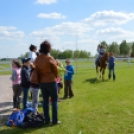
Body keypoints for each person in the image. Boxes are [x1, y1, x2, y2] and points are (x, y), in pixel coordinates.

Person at [32, 40, 61, 125]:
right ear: (48, 48)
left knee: (45, 101)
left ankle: (47, 120)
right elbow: (55, 70)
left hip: (42, 81)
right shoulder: (50, 58)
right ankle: (55, 121)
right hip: (51, 81)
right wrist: (55, 76)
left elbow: (34, 66)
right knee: (54, 101)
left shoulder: (38, 58)